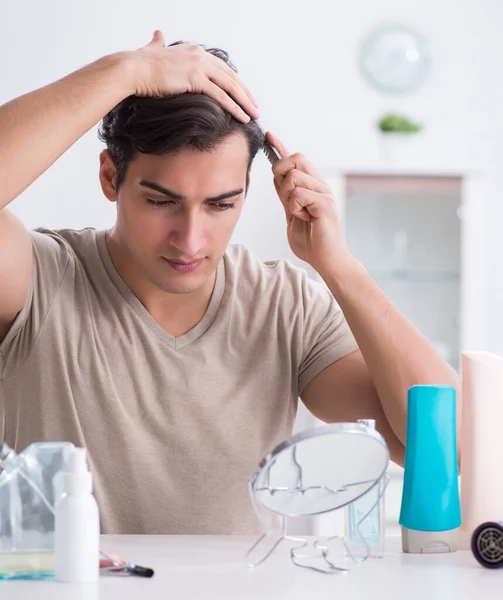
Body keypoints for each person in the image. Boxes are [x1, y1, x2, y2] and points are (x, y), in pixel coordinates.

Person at [0, 31, 460, 534]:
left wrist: (341, 267)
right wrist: (125, 70)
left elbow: (448, 451)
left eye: (221, 205)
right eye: (161, 201)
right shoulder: (37, 279)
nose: (190, 239)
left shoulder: (284, 306)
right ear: (111, 177)